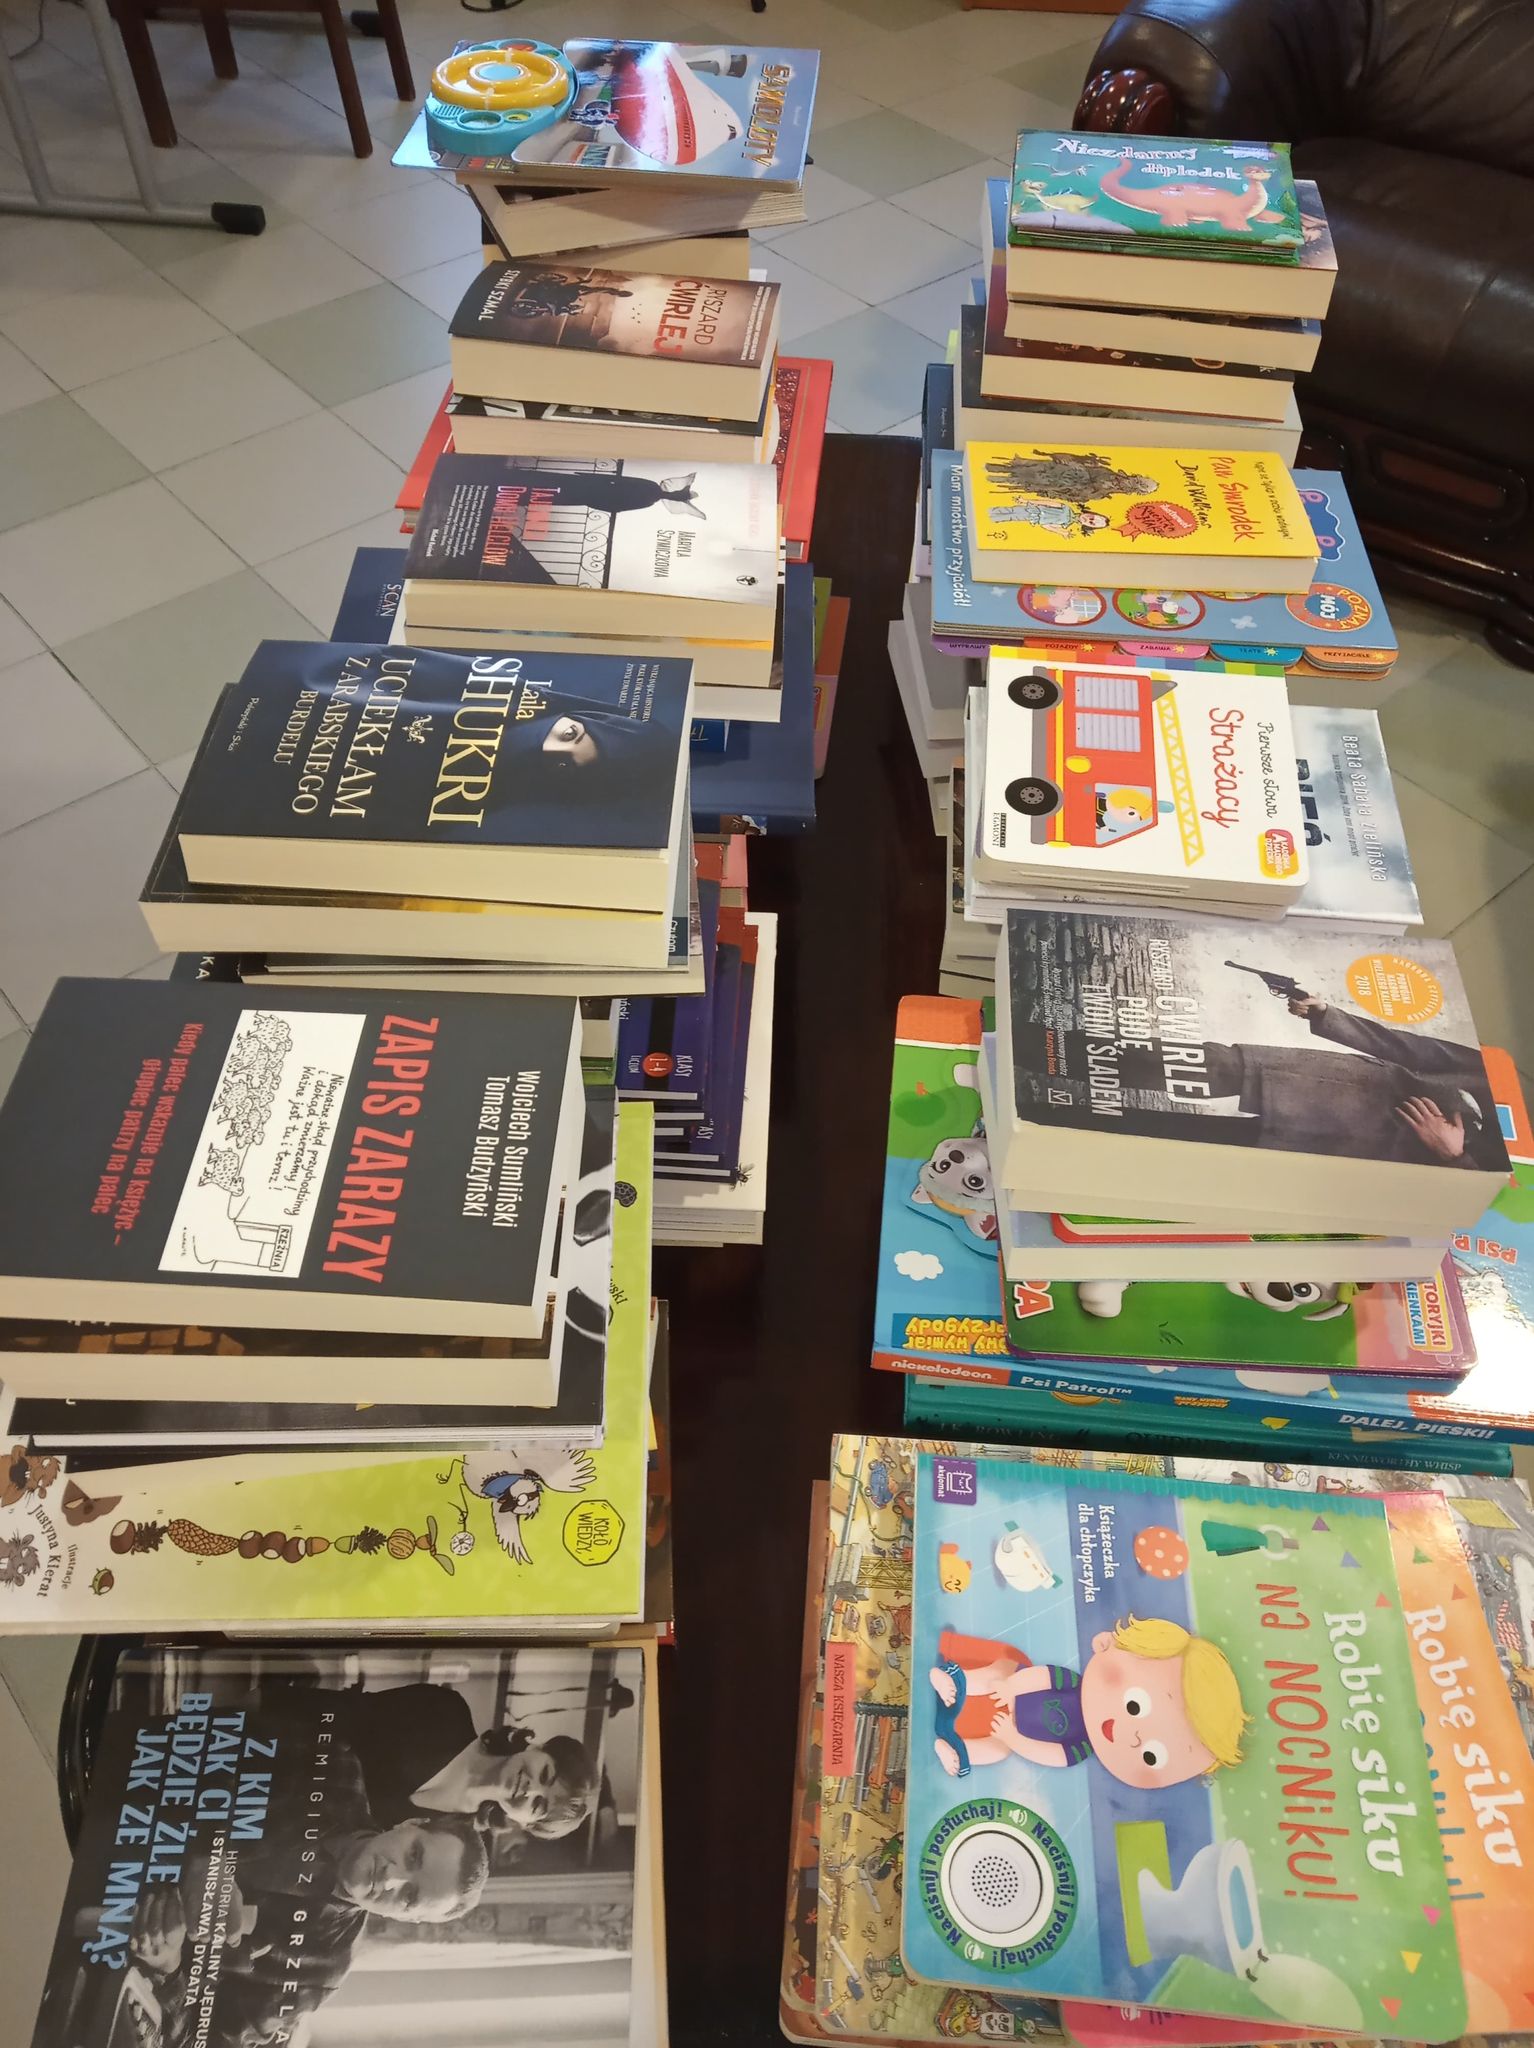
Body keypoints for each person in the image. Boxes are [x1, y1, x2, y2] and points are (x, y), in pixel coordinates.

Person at [128, 1736, 488, 2048]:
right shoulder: (333, 1768)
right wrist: (210, 1852)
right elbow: (207, 1737)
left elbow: (205, 2041)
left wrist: (167, 1969)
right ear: (411, 1824)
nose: (391, 1878)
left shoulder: (321, 1967)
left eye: (409, 1898)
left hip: (115, 1944)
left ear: (406, 1919)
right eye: (414, 1855)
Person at [1043, 990, 1504, 1170]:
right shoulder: (1498, 1072)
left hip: (1350, 1150)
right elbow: (1413, 1050)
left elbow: (1478, 1205)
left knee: (1178, 1135)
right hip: (1337, 1084)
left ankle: (1047, 1120)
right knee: (1181, 1062)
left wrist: (1454, 1157)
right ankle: (1039, 1050)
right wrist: (1329, 1016)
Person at [928, 1615, 1249, 1784]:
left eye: (1151, 1756)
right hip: (1010, 1689)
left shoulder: (1080, 1748)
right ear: (1108, 1643)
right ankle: (954, 1680)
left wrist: (1012, 1738)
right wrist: (1011, 1688)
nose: (1133, 1737)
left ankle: (956, 1752)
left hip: (1008, 1732)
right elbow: (1041, 1676)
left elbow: (1048, 1754)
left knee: (999, 1751)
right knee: (1004, 1669)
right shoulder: (1072, 1683)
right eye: (1134, 1706)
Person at [338, 1679, 601, 1837]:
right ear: (537, 1748)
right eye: (545, 1774)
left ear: (524, 1823)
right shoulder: (444, 1709)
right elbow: (335, 1712)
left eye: (538, 1805)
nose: (531, 1789)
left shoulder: (449, 1839)